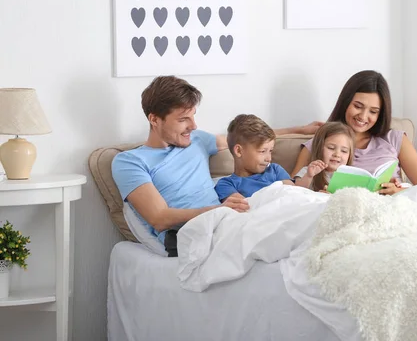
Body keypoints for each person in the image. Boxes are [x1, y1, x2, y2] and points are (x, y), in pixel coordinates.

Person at [111, 76, 322, 254]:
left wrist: (301, 129)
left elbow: (246, 140)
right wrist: (217, 210)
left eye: (193, 116)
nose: (193, 126)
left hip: (226, 220)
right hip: (188, 233)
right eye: (184, 119)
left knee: (308, 216)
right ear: (154, 119)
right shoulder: (129, 162)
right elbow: (159, 218)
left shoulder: (197, 140)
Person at [291, 70, 417, 195]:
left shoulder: (395, 139)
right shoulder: (318, 143)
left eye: (373, 111)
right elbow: (291, 192)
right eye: (358, 106)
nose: (363, 117)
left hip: (391, 208)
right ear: (346, 103)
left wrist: (399, 192)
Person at [215, 114, 294, 201]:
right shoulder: (227, 184)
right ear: (239, 151)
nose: (268, 159)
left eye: (270, 151)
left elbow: (294, 194)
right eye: (262, 151)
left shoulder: (275, 170)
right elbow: (245, 207)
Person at [294, 122, 354, 192]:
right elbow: (296, 191)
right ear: (319, 148)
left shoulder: (349, 177)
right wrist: (309, 176)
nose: (337, 154)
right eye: (331, 148)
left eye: (344, 151)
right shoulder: (309, 171)